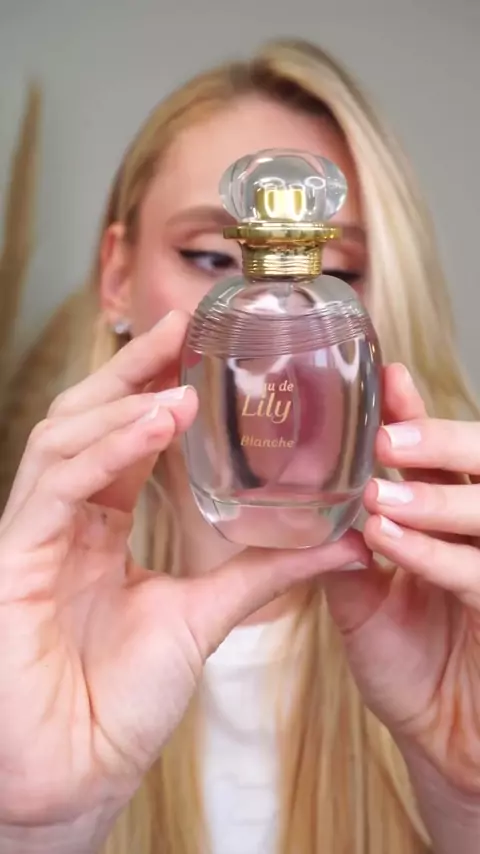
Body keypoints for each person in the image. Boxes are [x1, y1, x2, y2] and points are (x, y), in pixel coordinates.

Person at [1, 36, 480, 854]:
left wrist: (465, 799)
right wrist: (30, 828)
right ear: (116, 277)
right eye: (212, 257)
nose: (276, 336)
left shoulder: (452, 651)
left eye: (335, 268)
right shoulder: (18, 634)